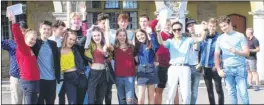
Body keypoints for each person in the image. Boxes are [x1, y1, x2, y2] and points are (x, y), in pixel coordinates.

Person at [157, 21, 206, 104]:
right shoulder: (170, 41)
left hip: (185, 67)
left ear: (181, 30)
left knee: (186, 93)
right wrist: (158, 32)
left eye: (179, 29)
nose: (177, 31)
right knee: (170, 93)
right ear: (172, 31)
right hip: (173, 67)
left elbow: (201, 39)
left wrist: (205, 30)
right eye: (174, 30)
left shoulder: (188, 40)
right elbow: (161, 42)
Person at [215, 15, 250, 104]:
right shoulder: (220, 38)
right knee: (231, 93)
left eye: (225, 25)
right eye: (221, 27)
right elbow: (216, 55)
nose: (223, 28)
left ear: (230, 23)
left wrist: (236, 51)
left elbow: (247, 53)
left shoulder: (240, 36)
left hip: (240, 68)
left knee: (243, 93)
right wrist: (219, 69)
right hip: (227, 69)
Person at [7, 11, 40, 104]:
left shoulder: (31, 49)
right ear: (25, 38)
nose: (33, 41)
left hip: (34, 81)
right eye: (31, 38)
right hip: (28, 82)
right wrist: (13, 21)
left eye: (35, 39)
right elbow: (18, 37)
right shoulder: (23, 48)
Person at [31, 20, 60, 104]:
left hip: (52, 80)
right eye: (44, 29)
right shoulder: (35, 43)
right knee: (39, 102)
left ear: (51, 31)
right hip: (39, 80)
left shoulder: (53, 44)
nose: (46, 31)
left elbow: (57, 61)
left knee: (50, 102)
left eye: (48, 29)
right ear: (40, 29)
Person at [1, 21, 27, 104]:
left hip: (28, 77)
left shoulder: (30, 43)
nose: (22, 33)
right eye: (20, 30)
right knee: (16, 102)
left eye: (24, 30)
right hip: (16, 77)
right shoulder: (11, 43)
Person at [108, 29, 137, 104]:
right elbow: (107, 49)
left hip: (130, 77)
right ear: (117, 36)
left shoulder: (131, 47)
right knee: (122, 100)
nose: (122, 37)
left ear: (126, 36)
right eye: (120, 35)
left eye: (124, 35)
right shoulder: (114, 48)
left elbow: (137, 60)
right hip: (118, 77)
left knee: (130, 99)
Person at [200, 18, 224, 104]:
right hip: (205, 67)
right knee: (209, 90)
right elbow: (199, 50)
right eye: (210, 26)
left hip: (215, 67)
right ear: (208, 26)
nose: (212, 28)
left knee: (218, 89)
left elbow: (222, 53)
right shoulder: (204, 37)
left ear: (216, 27)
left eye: (214, 26)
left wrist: (217, 65)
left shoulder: (219, 38)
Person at [60, 29, 88, 104]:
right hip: (68, 78)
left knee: (80, 102)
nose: (72, 41)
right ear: (65, 37)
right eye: (70, 39)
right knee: (72, 102)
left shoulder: (75, 48)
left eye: (74, 40)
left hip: (80, 76)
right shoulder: (58, 50)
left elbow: (85, 40)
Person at [85, 25, 111, 104]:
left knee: (100, 99)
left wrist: (107, 54)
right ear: (92, 37)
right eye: (94, 36)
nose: (97, 37)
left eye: (98, 35)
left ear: (101, 35)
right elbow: (86, 48)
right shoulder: (91, 46)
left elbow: (109, 58)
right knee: (91, 99)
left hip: (103, 73)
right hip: (93, 74)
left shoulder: (104, 45)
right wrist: (89, 33)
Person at [185, 18, 208, 104]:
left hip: (196, 66)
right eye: (189, 26)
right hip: (186, 66)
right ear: (187, 28)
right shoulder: (184, 37)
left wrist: (200, 63)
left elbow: (204, 52)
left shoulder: (201, 38)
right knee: (185, 90)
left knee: (194, 90)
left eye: (193, 25)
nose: (192, 27)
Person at [134, 28, 160, 104]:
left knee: (151, 97)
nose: (140, 37)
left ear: (145, 34)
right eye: (138, 36)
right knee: (140, 98)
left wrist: (151, 33)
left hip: (151, 70)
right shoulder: (137, 46)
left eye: (141, 34)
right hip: (141, 70)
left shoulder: (151, 43)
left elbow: (157, 46)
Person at [48, 20, 67, 104]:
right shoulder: (48, 41)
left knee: (62, 97)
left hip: (62, 73)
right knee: (51, 97)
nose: (62, 31)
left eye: (63, 29)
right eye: (61, 29)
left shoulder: (63, 41)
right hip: (51, 73)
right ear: (54, 29)